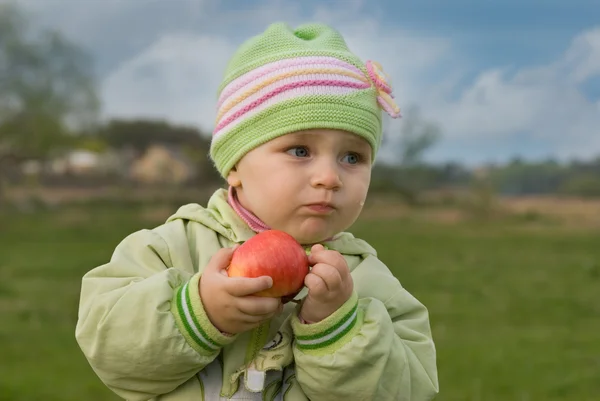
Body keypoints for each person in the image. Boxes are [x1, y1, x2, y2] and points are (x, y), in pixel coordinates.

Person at [75, 22, 439, 401]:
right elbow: (110, 351)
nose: (330, 177)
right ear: (234, 165)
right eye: (300, 150)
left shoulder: (370, 283)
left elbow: (409, 390)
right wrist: (199, 313)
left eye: (353, 157)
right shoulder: (173, 246)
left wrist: (338, 329)